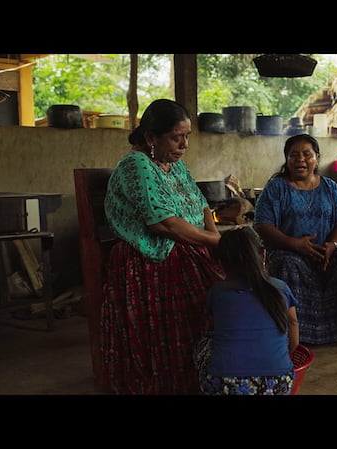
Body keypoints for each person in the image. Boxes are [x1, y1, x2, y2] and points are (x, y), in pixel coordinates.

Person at [101, 98, 226, 394]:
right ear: (150, 138)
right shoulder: (136, 165)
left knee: (234, 277)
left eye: (187, 137)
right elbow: (164, 224)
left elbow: (202, 205)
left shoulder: (175, 165)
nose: (184, 145)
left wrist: (217, 243)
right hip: (149, 254)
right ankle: (180, 377)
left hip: (187, 246)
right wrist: (218, 242)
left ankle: (214, 369)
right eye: (176, 137)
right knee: (208, 292)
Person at [253, 133, 337, 345]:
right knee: (288, 265)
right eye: (294, 155)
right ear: (286, 160)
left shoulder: (330, 187)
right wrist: (294, 244)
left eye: (307, 154)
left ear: (317, 158)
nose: (300, 160)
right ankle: (299, 334)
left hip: (326, 251)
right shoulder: (276, 188)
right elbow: (262, 225)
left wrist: (331, 247)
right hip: (287, 250)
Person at [194, 226, 300, 395]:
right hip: (279, 381)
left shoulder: (217, 292)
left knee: (204, 343)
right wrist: (282, 357)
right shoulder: (280, 288)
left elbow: (212, 329)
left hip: (224, 383)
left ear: (221, 263)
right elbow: (293, 326)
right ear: (263, 254)